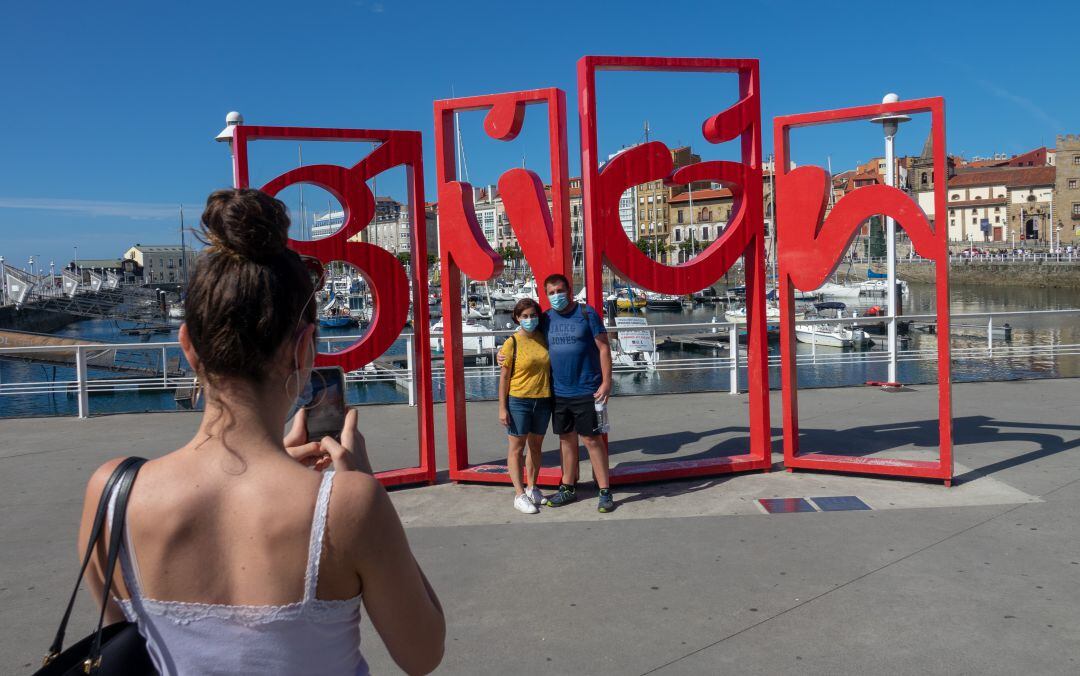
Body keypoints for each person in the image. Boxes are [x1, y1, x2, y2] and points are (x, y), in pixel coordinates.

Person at [77, 189, 444, 676]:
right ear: (305, 349)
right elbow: (422, 655)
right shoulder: (349, 504)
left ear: (188, 345)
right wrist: (363, 484)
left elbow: (127, 642)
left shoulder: (112, 494)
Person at [531, 274, 615, 512]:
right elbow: (526, 339)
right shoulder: (545, 318)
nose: (556, 295)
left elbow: (603, 348)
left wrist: (607, 382)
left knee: (592, 440)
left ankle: (605, 491)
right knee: (566, 440)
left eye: (559, 290)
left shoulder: (587, 313)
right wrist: (503, 355)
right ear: (546, 295)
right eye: (551, 292)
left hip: (588, 389)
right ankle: (567, 488)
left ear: (569, 290)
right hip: (559, 392)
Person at [497, 298, 550, 514]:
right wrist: (502, 407)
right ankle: (518, 494)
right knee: (517, 448)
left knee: (535, 447)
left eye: (533, 315)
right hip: (519, 400)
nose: (530, 319)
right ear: (517, 318)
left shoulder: (543, 338)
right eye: (525, 316)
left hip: (543, 399)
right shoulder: (512, 342)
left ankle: (532, 487)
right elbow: (504, 378)